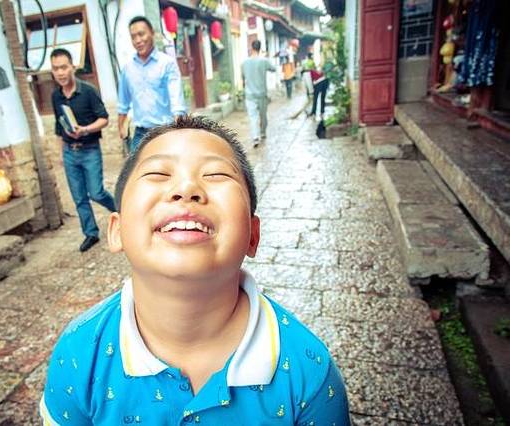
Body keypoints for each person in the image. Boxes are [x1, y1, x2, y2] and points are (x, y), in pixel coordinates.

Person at [39, 115, 351, 425]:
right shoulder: (79, 353)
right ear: (116, 231)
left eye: (216, 174)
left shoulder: (308, 371)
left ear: (253, 235)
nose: (186, 188)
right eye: (158, 173)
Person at [50, 48, 116, 252]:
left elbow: (104, 119)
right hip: (70, 152)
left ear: (73, 67)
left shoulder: (88, 91)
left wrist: (85, 129)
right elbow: (59, 127)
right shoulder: (56, 96)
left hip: (89, 150)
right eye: (55, 69)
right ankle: (90, 233)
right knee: (79, 197)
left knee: (96, 192)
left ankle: (121, 210)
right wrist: (61, 154)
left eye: (63, 67)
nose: (60, 73)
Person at [117, 16, 186, 153]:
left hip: (165, 132)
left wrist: (178, 132)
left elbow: (177, 102)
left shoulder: (167, 64)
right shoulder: (128, 69)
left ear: (152, 33)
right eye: (133, 37)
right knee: (135, 166)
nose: (138, 40)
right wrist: (121, 128)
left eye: (141, 34)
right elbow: (123, 104)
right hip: (140, 134)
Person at [241, 40, 276, 147]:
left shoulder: (244, 63)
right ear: (260, 48)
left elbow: (243, 78)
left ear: (251, 48)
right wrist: (267, 58)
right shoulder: (264, 61)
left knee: (253, 117)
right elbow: (274, 69)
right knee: (263, 116)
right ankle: (263, 133)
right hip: (262, 94)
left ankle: (255, 137)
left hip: (249, 95)